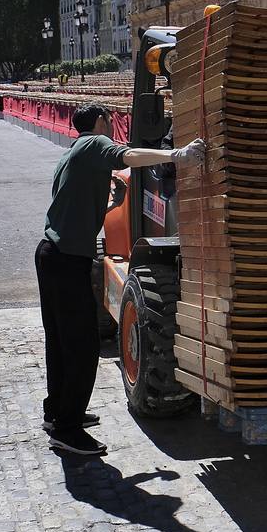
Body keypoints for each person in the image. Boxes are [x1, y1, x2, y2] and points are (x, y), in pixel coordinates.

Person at [36, 103, 204, 457]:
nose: (112, 129)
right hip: (67, 260)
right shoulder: (94, 144)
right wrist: (179, 155)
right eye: (110, 123)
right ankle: (68, 430)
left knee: (61, 343)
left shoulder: (71, 154)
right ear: (100, 122)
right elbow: (128, 155)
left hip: (52, 254)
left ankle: (58, 414)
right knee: (83, 347)